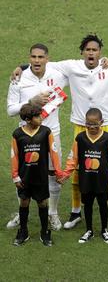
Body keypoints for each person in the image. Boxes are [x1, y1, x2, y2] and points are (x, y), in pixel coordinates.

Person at [12, 35, 108, 231]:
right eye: (88, 50)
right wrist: (22, 67)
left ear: (100, 52)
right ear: (82, 52)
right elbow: (44, 64)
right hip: (80, 126)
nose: (91, 53)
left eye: (95, 50)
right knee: (77, 170)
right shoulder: (72, 66)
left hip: (106, 125)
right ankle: (75, 213)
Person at [7, 43, 68, 231]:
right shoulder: (18, 79)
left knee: (52, 174)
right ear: (28, 58)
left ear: (47, 59)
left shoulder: (58, 74)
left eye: (41, 57)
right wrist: (31, 101)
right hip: (25, 136)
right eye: (33, 57)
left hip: (51, 134)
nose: (37, 60)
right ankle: (21, 212)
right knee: (23, 176)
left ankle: (53, 213)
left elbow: (82, 66)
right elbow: (10, 110)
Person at [60, 108, 108, 244]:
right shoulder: (80, 138)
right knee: (87, 204)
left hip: (101, 180)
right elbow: (73, 158)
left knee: (102, 204)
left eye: (95, 124)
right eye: (89, 124)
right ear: (85, 123)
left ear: (102, 122)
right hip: (86, 179)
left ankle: (104, 230)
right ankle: (89, 230)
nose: (92, 127)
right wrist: (66, 174)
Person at [11, 103, 64, 246]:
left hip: (40, 176)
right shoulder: (17, 134)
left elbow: (54, 154)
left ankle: (45, 232)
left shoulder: (46, 132)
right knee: (24, 202)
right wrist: (15, 176)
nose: (41, 118)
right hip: (24, 177)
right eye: (37, 116)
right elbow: (14, 156)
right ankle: (23, 231)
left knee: (42, 202)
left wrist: (58, 172)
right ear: (28, 119)